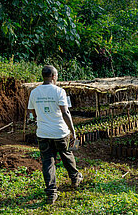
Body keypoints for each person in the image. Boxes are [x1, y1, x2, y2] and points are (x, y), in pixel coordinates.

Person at [28, 65, 83, 204]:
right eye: (56, 75)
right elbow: (65, 113)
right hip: (59, 132)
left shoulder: (34, 92)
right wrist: (73, 131)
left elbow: (32, 112)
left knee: (47, 163)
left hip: (43, 133)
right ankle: (75, 178)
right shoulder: (59, 91)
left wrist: (41, 119)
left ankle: (51, 193)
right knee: (66, 155)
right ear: (53, 76)